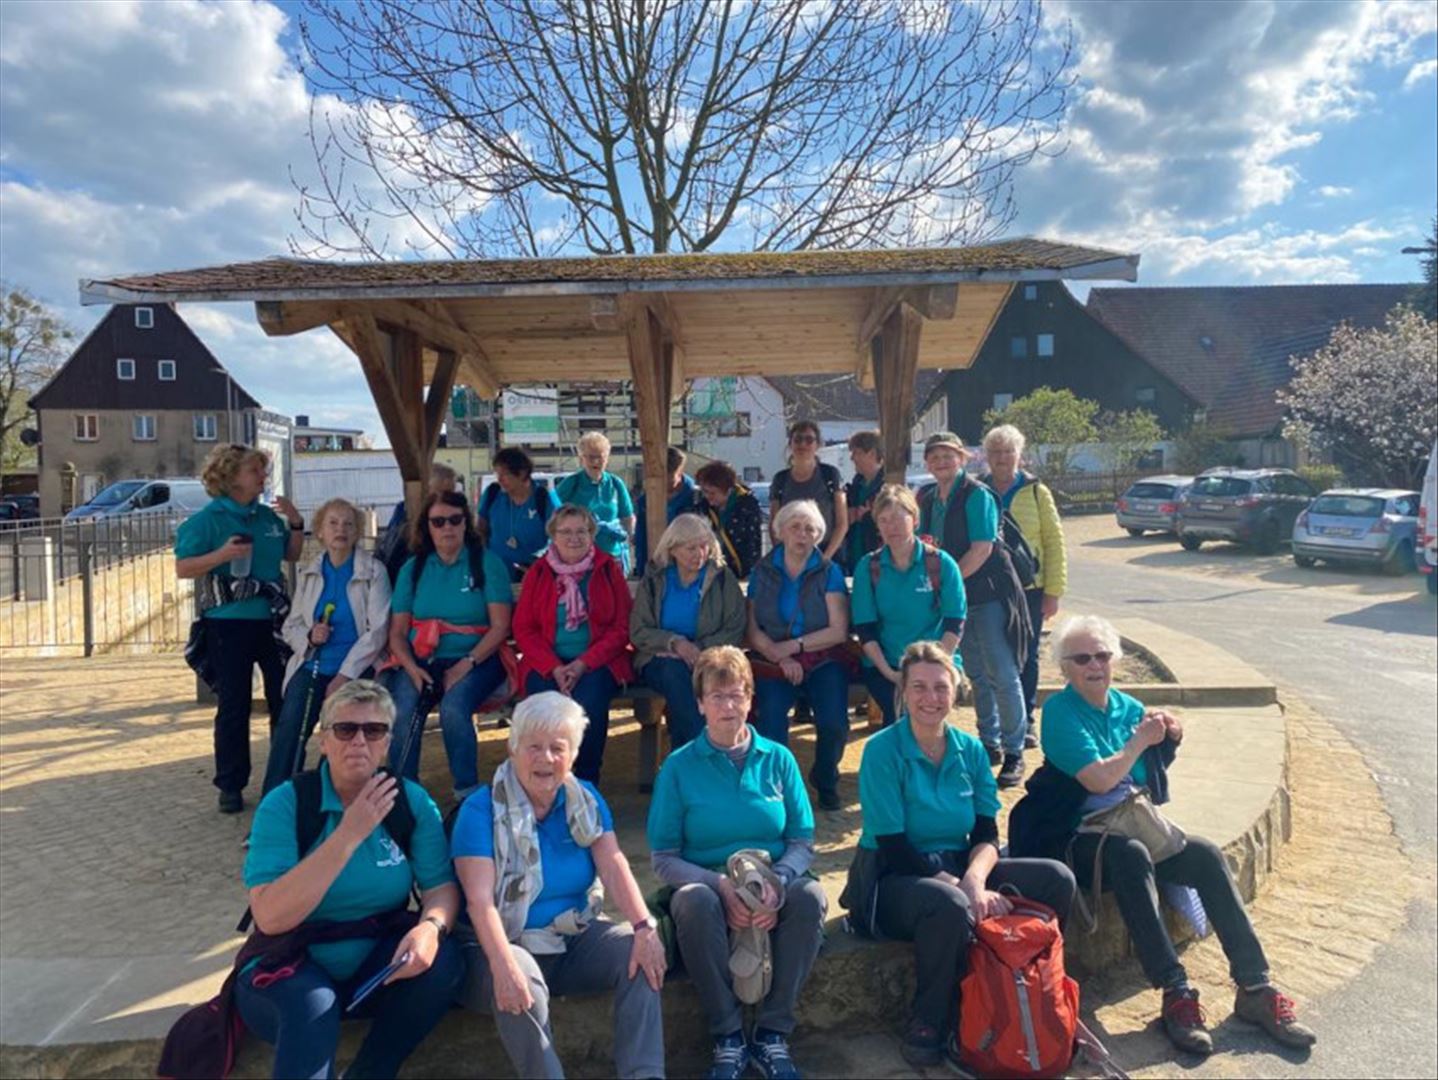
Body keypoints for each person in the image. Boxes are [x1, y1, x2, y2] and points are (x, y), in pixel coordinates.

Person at [1035, 615, 1315, 1056]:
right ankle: (1175, 990)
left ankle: (1255, 986)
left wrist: (1169, 736)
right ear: (1064, 667)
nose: (1095, 665)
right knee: (1130, 855)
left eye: (1102, 655)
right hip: (1076, 833)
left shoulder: (1127, 707)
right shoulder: (1058, 713)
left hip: (1131, 822)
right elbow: (1099, 779)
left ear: (1115, 660)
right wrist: (1139, 742)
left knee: (1204, 854)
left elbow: (1146, 775)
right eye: (1082, 658)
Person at [844, 643, 1077, 1068]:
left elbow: (986, 832)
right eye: (919, 687)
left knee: (1056, 878)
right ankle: (930, 1018)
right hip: (892, 877)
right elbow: (894, 845)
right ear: (903, 692)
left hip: (958, 865)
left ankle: (1039, 990)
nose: (930, 697)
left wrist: (975, 880)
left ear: (956, 692)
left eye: (940, 687)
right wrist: (962, 889)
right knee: (949, 904)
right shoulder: (882, 750)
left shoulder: (970, 750)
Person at [239, 680, 464, 1079]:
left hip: (375, 964)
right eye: (345, 730)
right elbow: (270, 917)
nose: (359, 741)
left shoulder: (409, 801)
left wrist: (430, 928)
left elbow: (440, 888)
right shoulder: (286, 803)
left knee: (444, 963)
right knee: (313, 1006)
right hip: (290, 963)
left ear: (387, 743)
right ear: (324, 741)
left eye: (373, 730)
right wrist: (349, 834)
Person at [452, 692, 667, 1079]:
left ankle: (645, 1074)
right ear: (512, 748)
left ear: (573, 754)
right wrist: (502, 963)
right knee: (521, 977)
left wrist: (643, 926)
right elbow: (479, 902)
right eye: (534, 747)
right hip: (499, 945)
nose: (546, 758)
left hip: (571, 937)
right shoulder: (480, 809)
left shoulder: (585, 799)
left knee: (637, 952)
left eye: (557, 748)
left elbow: (614, 865)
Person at [647, 647, 826, 1080]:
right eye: (717, 696)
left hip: (772, 877)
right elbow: (664, 859)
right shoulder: (678, 767)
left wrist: (778, 882)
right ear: (700, 703)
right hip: (706, 882)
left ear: (750, 699)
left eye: (737, 695)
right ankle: (728, 1036)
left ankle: (772, 1033)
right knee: (693, 902)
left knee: (811, 896)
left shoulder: (779, 759)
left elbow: (801, 841)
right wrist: (721, 886)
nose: (728, 706)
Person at [176, 442, 304, 813]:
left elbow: (292, 554)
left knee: (285, 700)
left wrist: (296, 523)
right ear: (231, 477)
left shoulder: (266, 518)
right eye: (255, 470)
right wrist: (222, 555)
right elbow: (183, 568)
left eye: (263, 470)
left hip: (274, 623)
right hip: (227, 624)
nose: (263, 476)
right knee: (235, 705)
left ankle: (282, 780)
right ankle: (230, 785)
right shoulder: (208, 520)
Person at [917, 432, 1030, 789]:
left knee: (1002, 673)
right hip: (957, 601)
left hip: (987, 594)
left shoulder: (977, 495)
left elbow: (982, 548)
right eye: (935, 456)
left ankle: (1014, 750)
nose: (941, 462)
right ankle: (989, 742)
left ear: (962, 458)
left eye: (948, 455)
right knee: (977, 674)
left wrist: (949, 584)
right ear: (927, 463)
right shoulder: (928, 498)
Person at [384, 490, 513, 801]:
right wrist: (411, 668)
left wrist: (466, 663)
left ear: (466, 523)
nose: (447, 528)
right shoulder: (413, 569)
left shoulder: (487, 564)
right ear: (427, 527)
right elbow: (397, 633)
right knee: (403, 708)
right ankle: (403, 794)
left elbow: (500, 627)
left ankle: (465, 793)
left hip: (479, 656)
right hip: (421, 658)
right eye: (438, 521)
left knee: (454, 708)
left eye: (455, 520)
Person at [266, 498, 392, 795]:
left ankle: (329, 799)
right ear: (320, 531)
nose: (341, 530)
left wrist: (344, 676)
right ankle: (275, 804)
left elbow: (378, 631)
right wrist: (310, 637)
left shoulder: (374, 571)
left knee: (342, 732)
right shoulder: (309, 573)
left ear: (357, 532)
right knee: (290, 729)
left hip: (358, 670)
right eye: (333, 523)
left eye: (349, 524)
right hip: (312, 664)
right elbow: (291, 625)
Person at [514, 504, 635, 783]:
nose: (574, 538)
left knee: (590, 704)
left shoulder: (607, 569)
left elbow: (622, 627)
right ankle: (548, 780)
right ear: (553, 536)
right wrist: (554, 667)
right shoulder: (539, 572)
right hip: (547, 663)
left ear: (592, 535)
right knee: (543, 709)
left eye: (581, 531)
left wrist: (583, 663)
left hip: (598, 661)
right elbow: (524, 628)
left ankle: (586, 782)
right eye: (566, 532)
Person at [745, 499, 851, 812]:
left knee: (834, 722)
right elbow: (751, 628)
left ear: (818, 535)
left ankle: (825, 777)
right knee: (771, 718)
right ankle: (777, 787)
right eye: (795, 527)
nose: (802, 535)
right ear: (780, 531)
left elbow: (838, 630)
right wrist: (777, 655)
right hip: (773, 657)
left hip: (821, 655)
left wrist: (794, 647)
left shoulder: (829, 572)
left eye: (810, 529)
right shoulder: (762, 571)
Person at [850, 485, 967, 729]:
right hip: (886, 666)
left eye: (897, 518)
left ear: (915, 519)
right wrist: (893, 674)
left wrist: (932, 666)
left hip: (937, 660)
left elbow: (955, 623)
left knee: (923, 713)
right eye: (883, 520)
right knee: (902, 717)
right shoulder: (868, 567)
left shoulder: (941, 564)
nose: (891, 526)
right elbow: (865, 629)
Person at [981, 424, 1067, 747]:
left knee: (1026, 655)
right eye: (996, 452)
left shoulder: (1036, 492)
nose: (1002, 458)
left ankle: (1025, 719)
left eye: (1008, 451)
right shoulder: (979, 490)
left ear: (1019, 455)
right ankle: (999, 721)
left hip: (1030, 589)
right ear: (987, 456)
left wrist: (1053, 592)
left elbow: (1054, 542)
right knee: (992, 656)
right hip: (990, 588)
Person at [631, 513, 747, 749]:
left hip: (710, 658)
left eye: (704, 546)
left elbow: (734, 627)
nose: (699, 554)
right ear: (673, 549)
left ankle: (688, 755)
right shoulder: (655, 579)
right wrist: (674, 643)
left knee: (702, 682)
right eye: (691, 548)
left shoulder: (722, 578)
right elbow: (639, 629)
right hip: (660, 658)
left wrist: (699, 650)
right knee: (675, 675)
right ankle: (703, 748)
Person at [555, 432, 636, 574]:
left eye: (601, 457)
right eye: (591, 457)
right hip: (579, 557)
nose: (596, 462)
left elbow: (627, 517)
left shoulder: (616, 483)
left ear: (607, 458)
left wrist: (628, 541)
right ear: (581, 459)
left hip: (611, 555)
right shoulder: (572, 482)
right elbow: (552, 511)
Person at [478, 446, 562, 581]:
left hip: (535, 575)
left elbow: (559, 536)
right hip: (495, 574)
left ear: (522, 473)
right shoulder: (492, 494)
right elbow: (480, 530)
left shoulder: (544, 498)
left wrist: (538, 561)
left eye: (505, 474)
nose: (499, 479)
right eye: (497, 474)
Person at [770, 420, 847, 563]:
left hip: (827, 555)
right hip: (791, 556)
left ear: (817, 445)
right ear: (790, 444)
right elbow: (774, 525)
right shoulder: (780, 479)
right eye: (798, 439)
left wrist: (825, 559)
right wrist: (784, 558)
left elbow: (842, 523)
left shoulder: (830, 475)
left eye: (809, 440)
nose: (803, 444)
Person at [378, 461, 458, 585]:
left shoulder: (454, 517)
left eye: (450, 495)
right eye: (438, 494)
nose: (445, 500)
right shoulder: (404, 511)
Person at [693, 460, 763, 580]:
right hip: (711, 570)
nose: (708, 496)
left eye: (713, 493)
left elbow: (752, 542)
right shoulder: (703, 507)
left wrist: (748, 573)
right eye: (705, 491)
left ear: (728, 490)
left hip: (741, 571)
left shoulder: (747, 506)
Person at [634, 446, 697, 573]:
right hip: (654, 567)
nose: (665, 484)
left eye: (670, 479)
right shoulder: (645, 500)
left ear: (680, 471)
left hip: (687, 566)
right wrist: (642, 569)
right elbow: (641, 537)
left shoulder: (696, 499)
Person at [842, 430, 885, 572]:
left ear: (871, 453)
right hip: (854, 557)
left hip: (878, 560)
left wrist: (868, 516)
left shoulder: (887, 485)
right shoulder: (856, 485)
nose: (852, 458)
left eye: (856, 453)